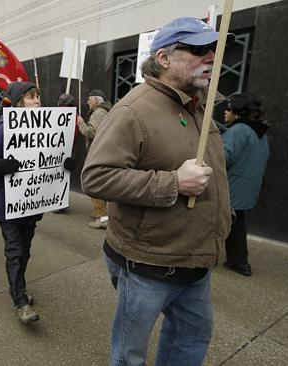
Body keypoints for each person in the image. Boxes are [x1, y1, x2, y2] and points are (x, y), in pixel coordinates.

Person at [81, 17, 233, 365]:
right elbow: (96, 177)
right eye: (197, 49)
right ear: (164, 58)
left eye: (212, 48)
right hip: (149, 264)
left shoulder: (199, 105)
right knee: (129, 353)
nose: (210, 56)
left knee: (192, 335)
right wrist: (174, 183)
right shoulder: (134, 110)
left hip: (194, 258)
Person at [0, 82, 75, 325]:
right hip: (9, 206)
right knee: (15, 252)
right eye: (31, 97)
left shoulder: (49, 127)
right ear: (19, 102)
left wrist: (65, 166)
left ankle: (18, 287)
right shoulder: (3, 130)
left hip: (32, 205)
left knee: (24, 251)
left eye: (38, 96)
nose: (37, 101)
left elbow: (55, 158)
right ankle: (20, 302)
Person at [221, 94, 270, 276]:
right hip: (247, 187)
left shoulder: (239, 130)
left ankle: (238, 262)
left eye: (229, 108)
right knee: (237, 225)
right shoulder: (259, 132)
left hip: (232, 187)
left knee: (221, 223)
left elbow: (224, 157)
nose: (225, 112)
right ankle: (239, 261)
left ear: (238, 113)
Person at [77, 89, 112, 229]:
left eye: (90, 99)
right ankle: (102, 213)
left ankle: (102, 216)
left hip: (98, 153)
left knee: (94, 183)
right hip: (104, 153)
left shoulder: (98, 113)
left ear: (97, 100)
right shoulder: (105, 110)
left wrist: (81, 123)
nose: (87, 102)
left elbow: (92, 132)